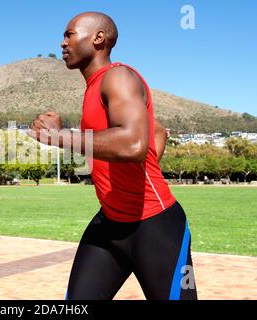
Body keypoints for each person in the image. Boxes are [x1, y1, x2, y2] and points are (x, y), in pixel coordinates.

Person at [27, 12, 197, 300]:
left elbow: (133, 144)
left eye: (69, 34)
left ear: (98, 38)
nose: (62, 42)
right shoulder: (95, 87)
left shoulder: (118, 77)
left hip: (155, 226)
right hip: (109, 225)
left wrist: (58, 137)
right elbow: (156, 132)